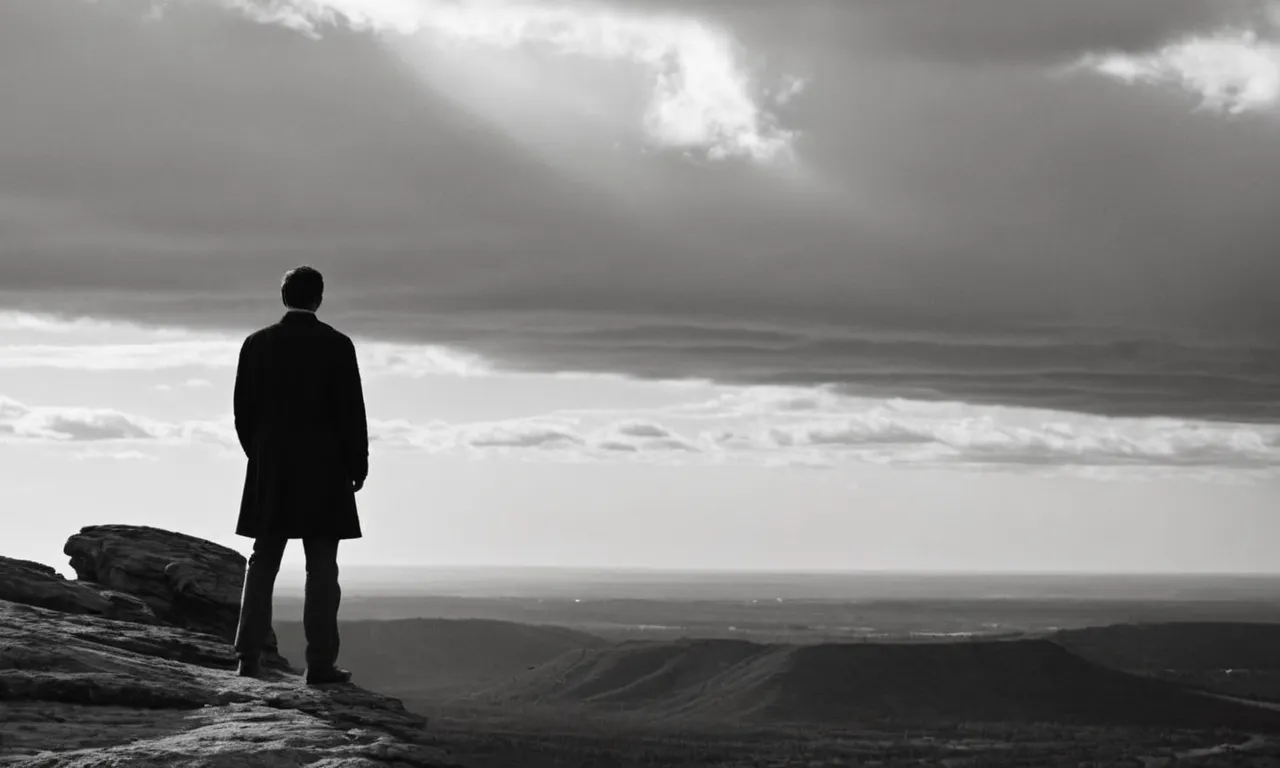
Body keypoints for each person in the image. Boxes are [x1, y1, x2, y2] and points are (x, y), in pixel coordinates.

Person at [231, 265, 368, 684]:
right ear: (319, 298)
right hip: (326, 469)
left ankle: (247, 659)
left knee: (263, 561)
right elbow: (351, 412)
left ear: (283, 296)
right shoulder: (337, 345)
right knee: (322, 568)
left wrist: (260, 456)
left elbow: (242, 414)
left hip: (272, 468)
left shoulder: (256, 344)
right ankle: (320, 665)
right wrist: (357, 465)